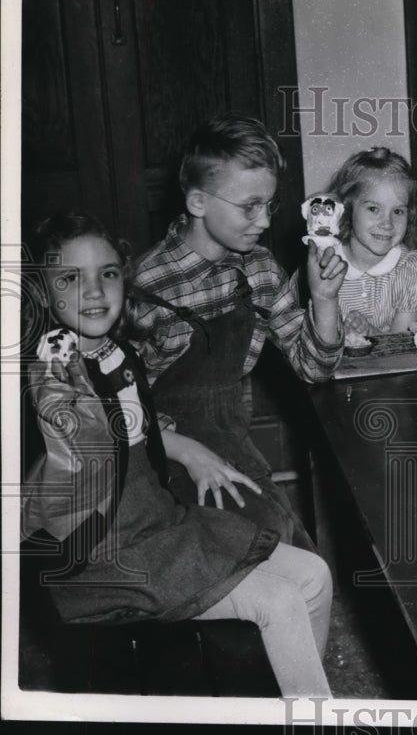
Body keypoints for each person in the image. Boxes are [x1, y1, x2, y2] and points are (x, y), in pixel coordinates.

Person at [21, 213, 334, 697]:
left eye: (107, 273)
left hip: (157, 524)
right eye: (69, 278)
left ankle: (301, 707)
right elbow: (77, 439)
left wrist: (184, 448)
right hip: (107, 557)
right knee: (278, 601)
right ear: (44, 293)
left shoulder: (120, 353)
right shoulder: (51, 374)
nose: (94, 291)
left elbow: (138, 429)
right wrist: (59, 369)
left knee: (313, 575)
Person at [130, 113, 346, 551]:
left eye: (269, 204)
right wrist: (188, 453)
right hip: (158, 454)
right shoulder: (147, 285)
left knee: (302, 552)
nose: (264, 221)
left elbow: (314, 369)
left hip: (231, 441)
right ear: (197, 203)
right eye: (249, 206)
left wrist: (323, 300)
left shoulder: (260, 271)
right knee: (261, 547)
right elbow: (112, 407)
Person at [318, 147, 417, 337]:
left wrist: (370, 333)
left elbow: (401, 346)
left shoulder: (412, 268)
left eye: (398, 211)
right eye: (373, 209)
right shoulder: (324, 265)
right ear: (347, 209)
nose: (387, 223)